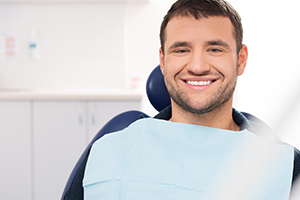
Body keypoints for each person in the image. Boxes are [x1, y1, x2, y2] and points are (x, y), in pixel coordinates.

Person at [81, 0, 300, 199]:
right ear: (163, 61)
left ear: (240, 60)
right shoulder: (106, 152)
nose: (197, 67)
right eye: (182, 50)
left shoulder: (286, 167)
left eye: (214, 49)